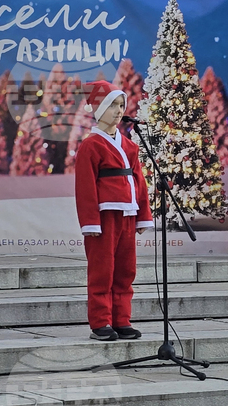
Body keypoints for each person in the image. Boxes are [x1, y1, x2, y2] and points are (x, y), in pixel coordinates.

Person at [74, 81, 155, 341]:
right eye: (112, 106)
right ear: (98, 109)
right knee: (102, 270)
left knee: (125, 270)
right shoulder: (90, 145)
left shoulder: (130, 146)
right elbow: (85, 188)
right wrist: (91, 223)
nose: (119, 111)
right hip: (104, 217)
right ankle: (100, 322)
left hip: (128, 215)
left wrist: (144, 215)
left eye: (121, 105)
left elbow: (139, 182)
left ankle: (122, 319)